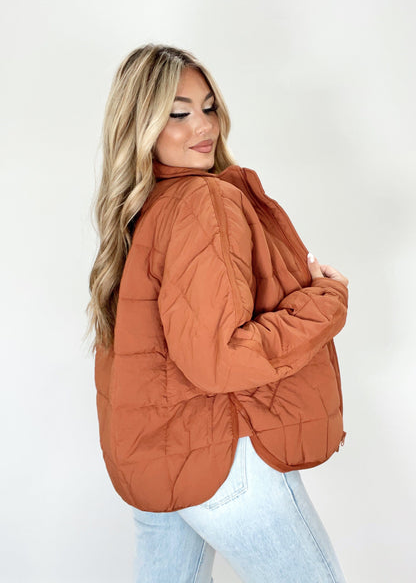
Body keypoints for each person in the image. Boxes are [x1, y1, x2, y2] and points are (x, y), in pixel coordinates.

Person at [86, 43, 350, 583]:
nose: (203, 126)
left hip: (162, 461)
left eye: (208, 107)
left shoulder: (144, 206)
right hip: (225, 463)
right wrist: (325, 302)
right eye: (178, 113)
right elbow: (220, 356)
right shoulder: (202, 200)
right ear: (142, 125)